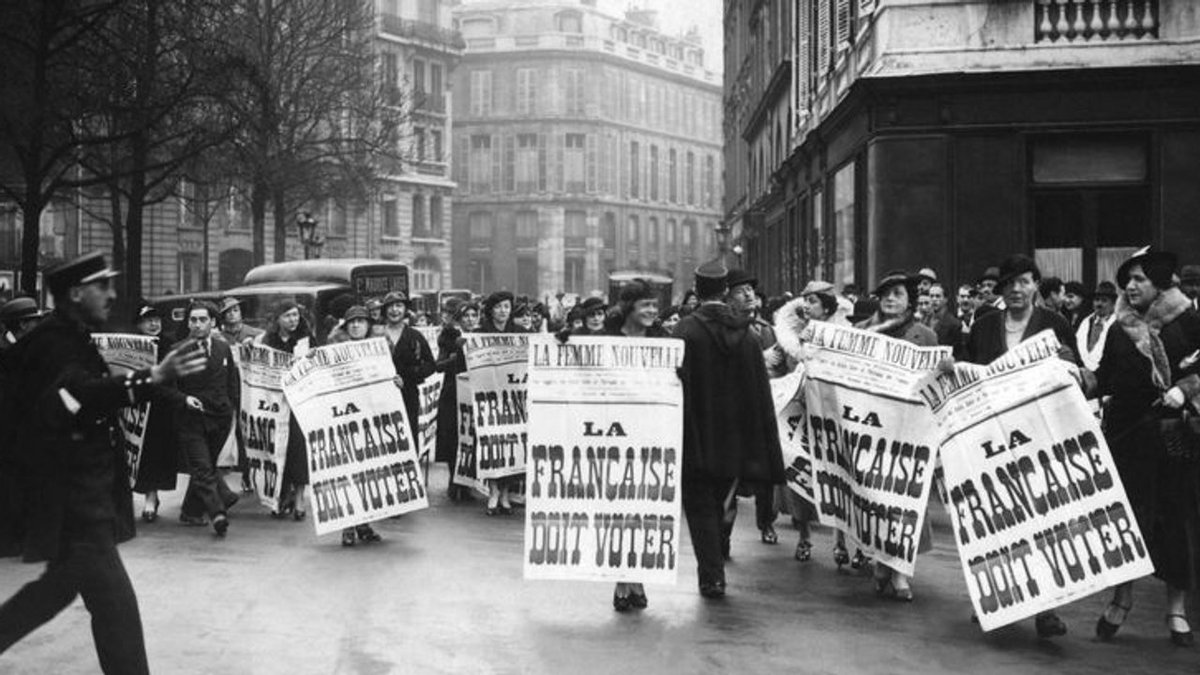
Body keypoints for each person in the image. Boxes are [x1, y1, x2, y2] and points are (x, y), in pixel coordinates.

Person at [0, 252, 206, 674]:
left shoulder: (68, 336)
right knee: (114, 607)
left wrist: (151, 383)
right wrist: (149, 378)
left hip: (76, 502)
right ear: (77, 293)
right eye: (103, 286)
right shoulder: (55, 343)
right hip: (72, 502)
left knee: (63, 595)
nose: (112, 294)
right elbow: (79, 396)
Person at [1088, 247, 1200, 647]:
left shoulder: (1187, 321)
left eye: (1139, 279)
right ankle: (1122, 598)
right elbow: (1104, 378)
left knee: (1176, 521)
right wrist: (1076, 377)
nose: (1130, 287)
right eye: (1127, 281)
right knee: (1128, 521)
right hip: (1127, 438)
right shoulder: (1120, 328)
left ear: (1160, 283)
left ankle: (1176, 609)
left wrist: (1185, 389)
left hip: (1173, 441)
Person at [963, 253, 1074, 639]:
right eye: (1009, 283)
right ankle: (995, 597)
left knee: (1042, 520)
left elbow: (1077, 377)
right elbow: (967, 374)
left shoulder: (1054, 324)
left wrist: (1068, 365)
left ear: (1035, 285)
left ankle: (1047, 608)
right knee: (996, 520)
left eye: (1024, 281)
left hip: (1039, 439)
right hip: (991, 439)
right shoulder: (983, 326)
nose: (1015, 289)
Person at [674, 261, 785, 598]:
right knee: (722, 498)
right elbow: (758, 393)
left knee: (699, 504)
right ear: (725, 291)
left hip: (694, 434)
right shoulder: (747, 335)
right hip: (735, 438)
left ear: (696, 288)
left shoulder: (684, 331)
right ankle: (717, 555)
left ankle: (712, 574)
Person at [854, 271, 938, 602]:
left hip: (910, 428)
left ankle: (901, 571)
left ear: (909, 300)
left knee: (907, 498)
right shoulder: (862, 333)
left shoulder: (925, 335)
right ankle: (880, 561)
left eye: (898, 294)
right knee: (876, 496)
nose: (890, 299)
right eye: (886, 294)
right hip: (874, 426)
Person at [604, 280, 672, 611]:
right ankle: (621, 580)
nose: (651, 312)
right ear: (628, 306)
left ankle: (638, 577)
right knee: (618, 511)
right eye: (645, 305)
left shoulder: (663, 341)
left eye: (654, 306)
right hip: (614, 438)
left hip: (653, 435)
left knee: (646, 510)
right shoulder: (604, 339)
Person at [770, 280, 842, 564]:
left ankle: (841, 542)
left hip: (832, 418)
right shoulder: (790, 339)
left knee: (836, 478)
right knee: (799, 478)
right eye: (805, 301)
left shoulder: (842, 336)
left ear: (826, 307)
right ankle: (804, 537)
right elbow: (772, 367)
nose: (807, 306)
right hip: (799, 418)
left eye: (813, 301)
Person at [173, 300, 241, 536]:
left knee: (207, 466)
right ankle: (217, 512)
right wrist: (183, 399)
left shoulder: (222, 348)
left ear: (213, 322)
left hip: (219, 418)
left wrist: (232, 408)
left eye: (203, 320)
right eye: (193, 320)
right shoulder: (178, 350)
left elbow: (231, 380)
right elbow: (165, 386)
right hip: (191, 418)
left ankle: (190, 511)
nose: (197, 324)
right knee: (202, 468)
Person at [725, 269, 782, 548]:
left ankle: (767, 522)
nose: (749, 295)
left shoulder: (765, 329)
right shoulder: (724, 328)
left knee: (764, 475)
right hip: (733, 411)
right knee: (729, 478)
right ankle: (724, 531)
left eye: (751, 290)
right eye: (740, 291)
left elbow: (779, 367)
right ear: (727, 298)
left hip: (762, 406)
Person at [325, 305, 385, 547]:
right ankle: (348, 526)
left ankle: (364, 523)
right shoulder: (333, 350)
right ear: (345, 326)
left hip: (371, 418)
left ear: (369, 325)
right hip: (345, 417)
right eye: (352, 322)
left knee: (368, 473)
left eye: (361, 321)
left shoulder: (379, 349)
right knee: (347, 472)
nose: (357, 325)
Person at [259, 300, 315, 520]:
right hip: (277, 402)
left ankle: (300, 497)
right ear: (278, 319)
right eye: (288, 316)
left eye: (295, 315)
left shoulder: (306, 340)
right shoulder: (269, 340)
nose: (293, 320)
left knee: (298, 450)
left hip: (299, 403)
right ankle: (282, 495)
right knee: (277, 449)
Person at [130, 304, 181, 524]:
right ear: (139, 324)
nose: (154, 324)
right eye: (148, 320)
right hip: (138, 408)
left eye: (157, 320)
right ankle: (147, 496)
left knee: (158, 453)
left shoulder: (169, 345)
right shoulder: (131, 346)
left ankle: (153, 497)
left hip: (163, 409)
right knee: (140, 454)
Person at [478, 291, 524, 515]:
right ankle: (493, 490)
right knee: (492, 443)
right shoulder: (479, 333)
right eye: (498, 307)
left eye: (506, 306)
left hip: (513, 397)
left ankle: (506, 490)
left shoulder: (521, 333)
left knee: (512, 444)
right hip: (488, 396)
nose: (503, 311)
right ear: (491, 310)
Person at [379, 291, 436, 453]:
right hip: (379, 396)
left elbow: (431, 365)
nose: (394, 310)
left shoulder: (415, 335)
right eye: (390, 306)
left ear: (405, 310)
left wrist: (408, 376)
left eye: (399, 306)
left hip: (408, 393)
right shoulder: (375, 334)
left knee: (408, 435)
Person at [435, 299, 474, 502]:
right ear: (459, 319)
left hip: (475, 392)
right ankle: (454, 480)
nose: (470, 319)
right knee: (453, 437)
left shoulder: (483, 335)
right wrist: (458, 352)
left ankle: (466, 483)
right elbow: (439, 365)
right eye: (466, 316)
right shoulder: (449, 336)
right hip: (453, 391)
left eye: (473, 315)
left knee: (471, 438)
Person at [1075, 281, 1118, 372]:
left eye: (1104, 300)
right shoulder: (1085, 323)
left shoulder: (1117, 325)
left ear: (1113, 304)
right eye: (1097, 300)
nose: (1099, 304)